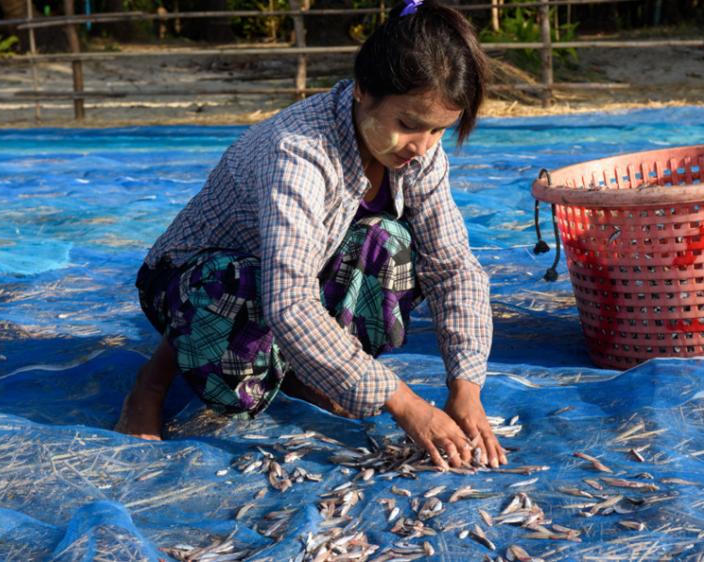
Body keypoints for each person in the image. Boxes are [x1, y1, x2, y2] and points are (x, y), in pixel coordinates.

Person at [115, 0, 507, 471]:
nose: (421, 147)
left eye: (439, 131)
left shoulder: (421, 157)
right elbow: (290, 301)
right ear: (363, 90)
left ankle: (306, 372)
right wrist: (404, 402)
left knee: (390, 244)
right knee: (239, 325)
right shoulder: (299, 151)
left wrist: (465, 387)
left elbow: (453, 266)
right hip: (199, 285)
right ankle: (152, 380)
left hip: (292, 278)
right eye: (407, 124)